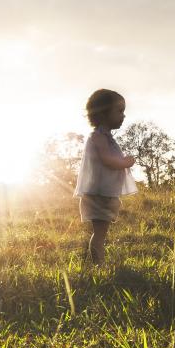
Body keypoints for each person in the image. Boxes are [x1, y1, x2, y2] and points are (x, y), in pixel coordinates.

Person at [73, 89, 137, 264]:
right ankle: (98, 265)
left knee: (101, 232)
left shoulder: (106, 137)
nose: (123, 116)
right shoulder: (98, 137)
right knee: (99, 234)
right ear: (102, 114)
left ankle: (98, 263)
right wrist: (125, 162)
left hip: (104, 194)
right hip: (99, 195)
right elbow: (107, 160)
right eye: (119, 111)